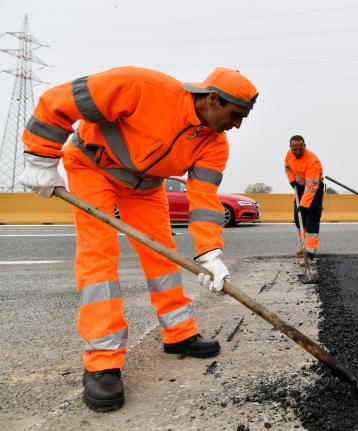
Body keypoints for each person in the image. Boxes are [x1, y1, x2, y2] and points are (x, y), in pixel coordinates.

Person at [19, 66, 258, 412]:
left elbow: (204, 201)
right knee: (99, 254)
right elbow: (59, 101)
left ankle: (179, 333)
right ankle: (102, 361)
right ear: (212, 99)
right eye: (236, 115)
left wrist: (210, 253)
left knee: (163, 256)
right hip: (92, 167)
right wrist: (40, 155)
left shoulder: (214, 144)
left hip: (145, 188)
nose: (237, 126)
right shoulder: (142, 87)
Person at [284, 135, 324, 265]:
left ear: (304, 146)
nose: (297, 152)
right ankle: (304, 245)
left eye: (300, 149)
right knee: (298, 218)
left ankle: (310, 254)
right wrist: (292, 181)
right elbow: (287, 168)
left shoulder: (312, 161)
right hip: (300, 187)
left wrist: (304, 205)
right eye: (294, 149)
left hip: (314, 189)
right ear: (290, 147)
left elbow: (311, 187)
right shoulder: (289, 155)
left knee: (311, 219)